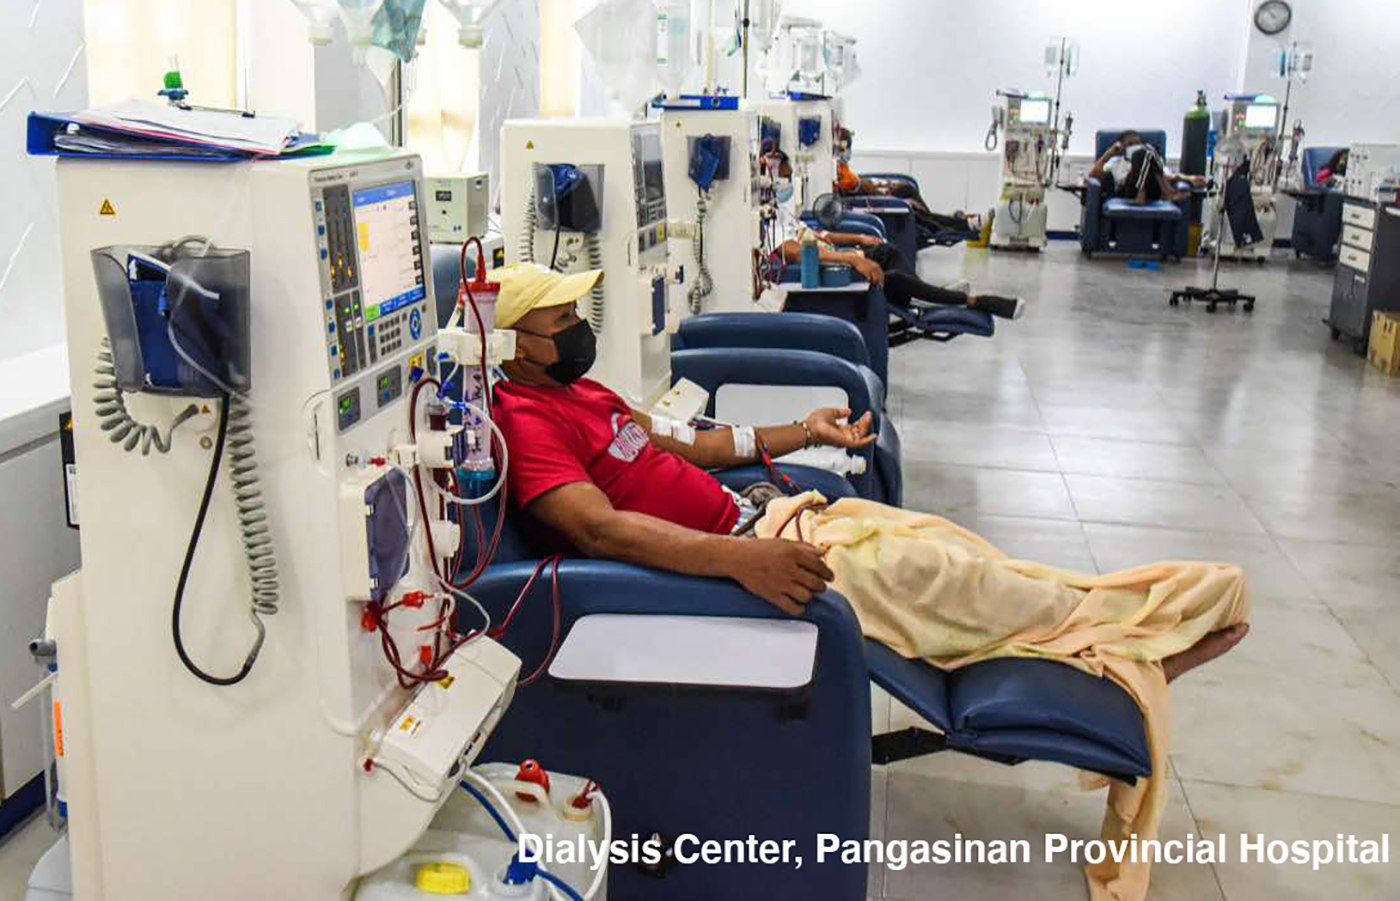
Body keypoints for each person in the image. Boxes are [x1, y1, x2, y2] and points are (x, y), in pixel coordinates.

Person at [485, 262, 1251, 901]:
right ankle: (1137, 626)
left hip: (772, 518)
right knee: (939, 578)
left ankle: (1105, 632)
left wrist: (804, 431)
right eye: (562, 321)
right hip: (748, 556)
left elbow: (703, 444)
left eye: (576, 313)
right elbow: (599, 532)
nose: (580, 329)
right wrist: (741, 560)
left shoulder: (585, 394)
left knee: (951, 555)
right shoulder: (527, 420)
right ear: (515, 343)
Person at [769, 151, 1026, 320]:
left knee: (887, 250)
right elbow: (793, 250)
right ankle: (964, 300)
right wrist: (853, 259)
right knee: (895, 279)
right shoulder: (768, 222)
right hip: (835, 266)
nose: (789, 184)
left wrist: (859, 240)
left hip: (841, 255)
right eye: (785, 179)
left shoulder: (782, 212)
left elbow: (819, 234)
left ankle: (927, 291)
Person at [1089, 129, 1207, 204]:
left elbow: (1168, 175)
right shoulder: (1116, 161)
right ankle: (1163, 192)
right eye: (1130, 144)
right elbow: (1093, 174)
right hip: (1129, 190)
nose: (1136, 146)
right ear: (1123, 147)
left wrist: (1190, 178)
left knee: (1149, 152)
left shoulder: (1149, 158)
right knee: (1143, 154)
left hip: (1152, 191)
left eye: (1138, 143)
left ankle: (1151, 193)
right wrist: (1110, 152)